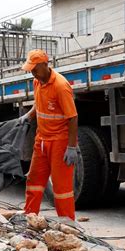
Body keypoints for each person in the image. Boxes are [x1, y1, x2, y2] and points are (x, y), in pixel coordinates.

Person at [19, 49, 79, 220]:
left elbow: (73, 118)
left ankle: (67, 226)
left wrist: (71, 147)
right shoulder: (37, 82)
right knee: (34, 181)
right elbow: (39, 104)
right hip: (42, 140)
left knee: (62, 189)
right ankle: (30, 219)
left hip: (60, 142)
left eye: (35, 69)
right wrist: (28, 116)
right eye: (30, 69)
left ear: (45, 65)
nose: (33, 72)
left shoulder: (60, 86)